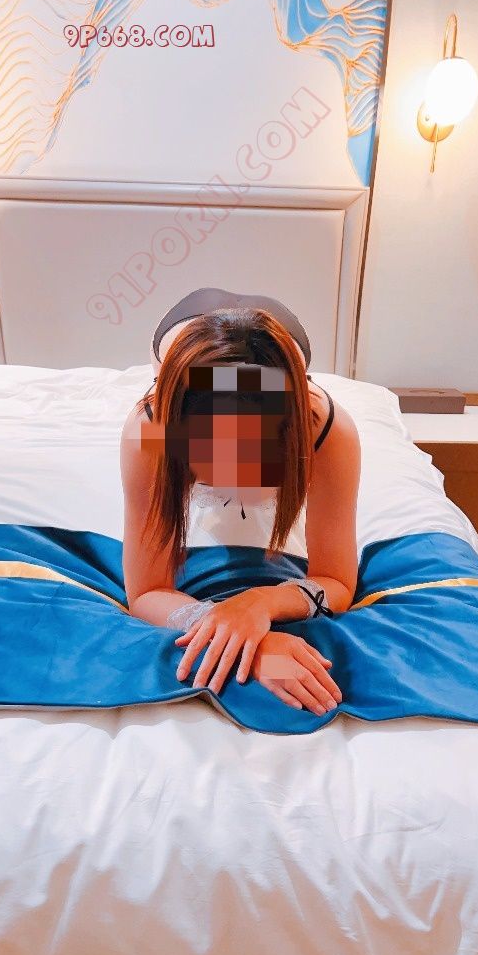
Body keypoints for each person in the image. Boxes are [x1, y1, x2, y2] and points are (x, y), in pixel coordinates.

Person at [120, 288, 361, 716]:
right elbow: (146, 590)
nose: (232, 477)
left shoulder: (326, 429)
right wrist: (252, 640)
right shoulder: (151, 429)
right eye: (211, 457)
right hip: (182, 329)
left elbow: (337, 580)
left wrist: (259, 603)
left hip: (276, 348)